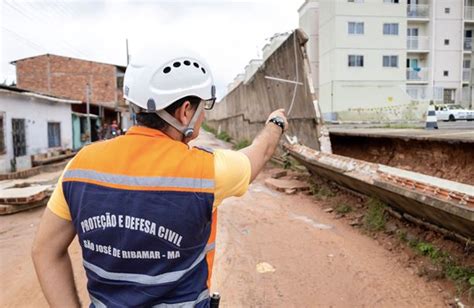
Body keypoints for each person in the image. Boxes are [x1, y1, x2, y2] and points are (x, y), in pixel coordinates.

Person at [32, 46, 288, 307]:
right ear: (185, 111)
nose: (203, 115)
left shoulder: (80, 165)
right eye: (204, 107)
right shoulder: (206, 171)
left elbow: (45, 251)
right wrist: (275, 123)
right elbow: (260, 152)